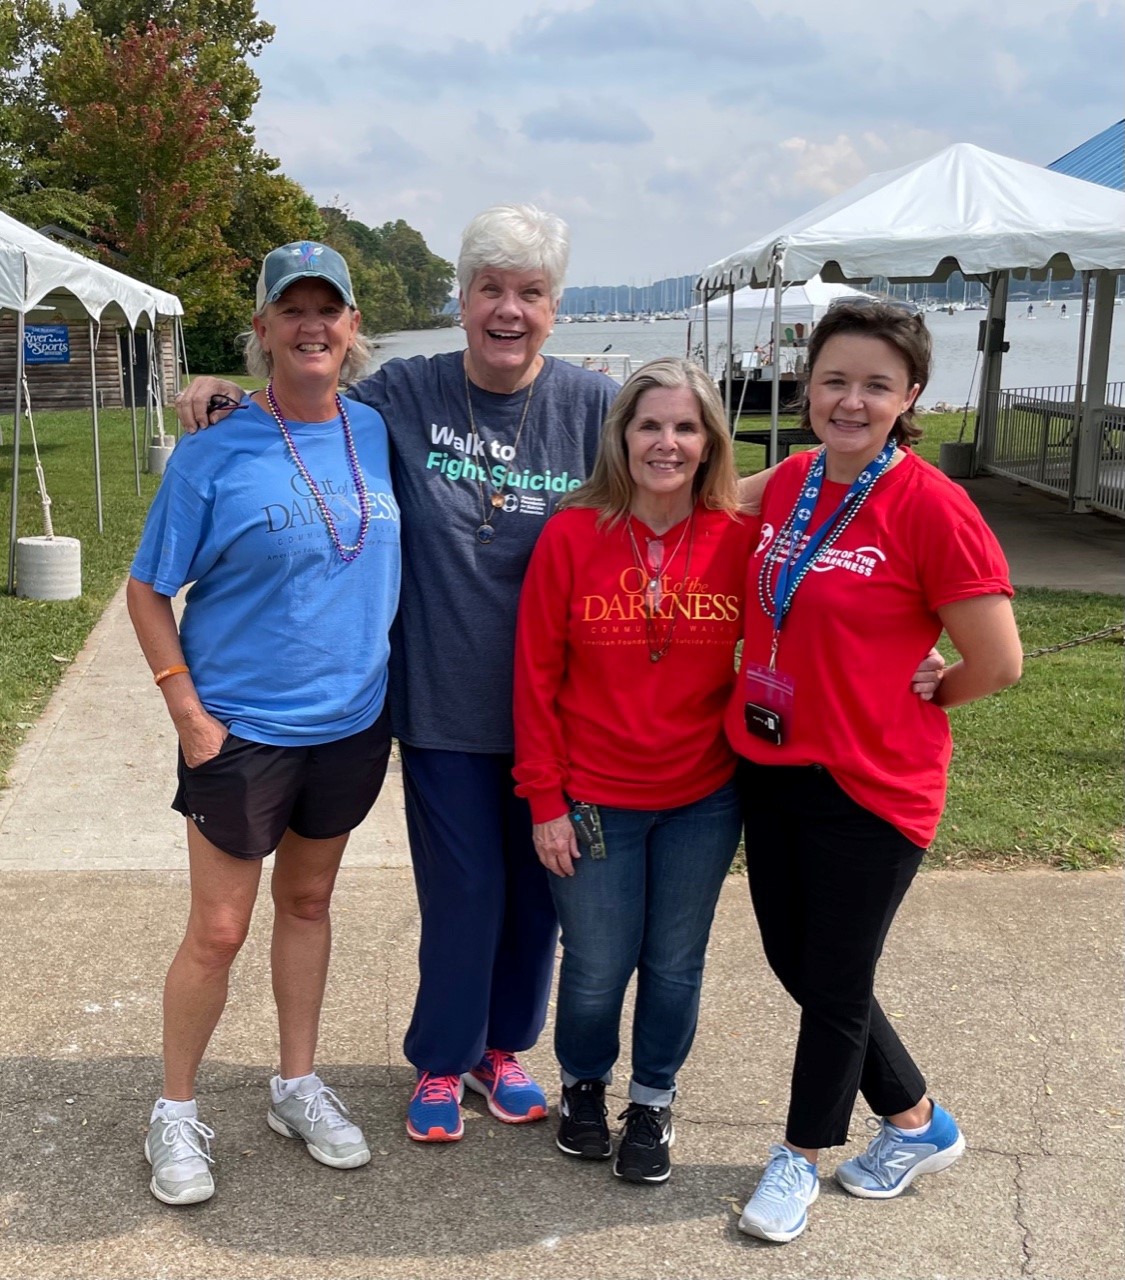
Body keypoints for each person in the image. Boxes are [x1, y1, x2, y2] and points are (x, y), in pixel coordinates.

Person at [173, 206, 619, 1143]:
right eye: (490, 290)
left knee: (540, 894)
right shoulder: (406, 395)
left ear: (554, 307)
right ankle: (440, 1059)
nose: (508, 310)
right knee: (464, 894)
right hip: (444, 701)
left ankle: (506, 1050)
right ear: (459, 303)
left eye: (529, 294)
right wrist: (216, 392)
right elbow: (305, 394)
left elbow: (679, 474)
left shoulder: (591, 405)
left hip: (559, 708)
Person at [725, 300, 1022, 1243]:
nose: (850, 401)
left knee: (838, 979)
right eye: (834, 381)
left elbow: (999, 660)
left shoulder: (933, 506)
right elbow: (702, 496)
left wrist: (941, 688)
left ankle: (796, 1157)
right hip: (771, 762)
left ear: (910, 397)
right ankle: (916, 1124)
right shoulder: (792, 480)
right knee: (797, 961)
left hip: (873, 782)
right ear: (806, 387)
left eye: (875, 386)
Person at [127, 242, 401, 1204]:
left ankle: (296, 1083)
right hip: (239, 727)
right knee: (217, 928)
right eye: (293, 310)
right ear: (263, 329)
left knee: (310, 904)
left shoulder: (377, 431)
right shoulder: (214, 453)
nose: (312, 326)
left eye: (330, 310)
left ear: (353, 328)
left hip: (352, 723)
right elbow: (149, 590)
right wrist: (185, 710)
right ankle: (174, 1110)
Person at [512, 358, 751, 1184]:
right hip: (590, 798)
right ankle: (583, 1085)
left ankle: (651, 1100)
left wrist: (909, 654)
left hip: (702, 799)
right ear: (620, 436)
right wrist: (544, 798)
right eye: (649, 425)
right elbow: (534, 676)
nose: (666, 442)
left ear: (709, 441)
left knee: (676, 963)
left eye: (685, 427)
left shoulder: (737, 540)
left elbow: (814, 621)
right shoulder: (572, 533)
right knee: (595, 965)